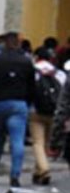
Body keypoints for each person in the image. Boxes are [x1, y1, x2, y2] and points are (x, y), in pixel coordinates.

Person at [0, 32, 37, 187]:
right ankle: (15, 175)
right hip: (18, 104)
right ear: (18, 43)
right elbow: (32, 86)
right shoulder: (26, 62)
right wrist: (29, 103)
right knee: (17, 140)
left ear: (5, 43)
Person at [30, 47, 66, 185]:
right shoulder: (59, 73)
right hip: (54, 112)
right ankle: (37, 172)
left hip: (35, 111)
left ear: (37, 57)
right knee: (46, 143)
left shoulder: (33, 70)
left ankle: (44, 169)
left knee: (37, 143)